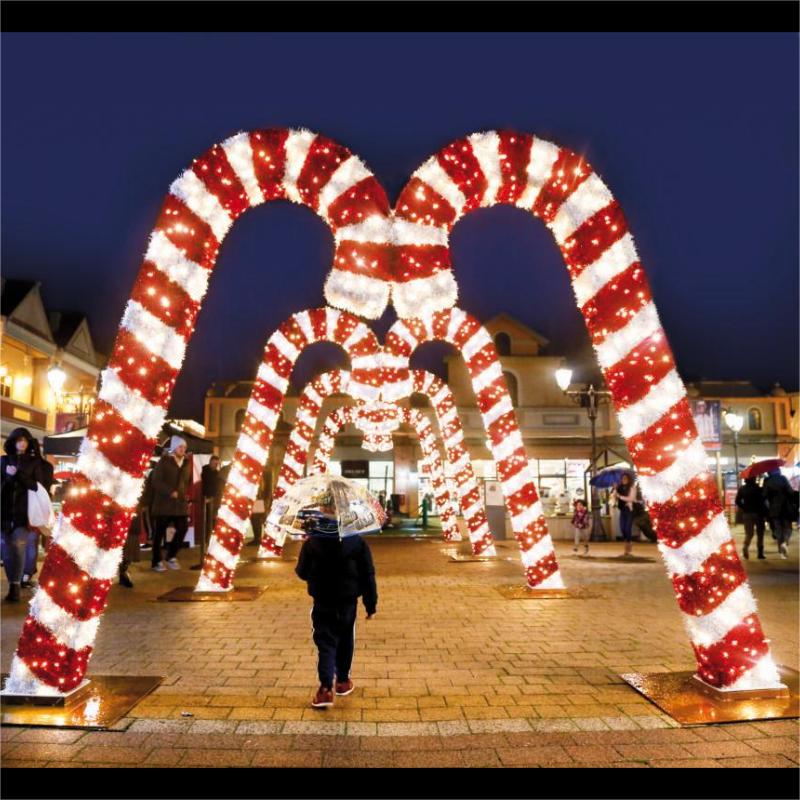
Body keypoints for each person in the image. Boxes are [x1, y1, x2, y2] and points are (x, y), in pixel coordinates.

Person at [295, 493, 378, 709]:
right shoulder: (357, 541)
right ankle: (342, 681)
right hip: (348, 599)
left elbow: (301, 572)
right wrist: (370, 604)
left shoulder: (312, 540)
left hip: (323, 598)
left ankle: (325, 689)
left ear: (322, 510)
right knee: (345, 638)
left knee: (325, 641)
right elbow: (368, 573)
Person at [1, 428, 54, 602]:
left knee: (18, 545)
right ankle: (13, 583)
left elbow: (37, 487)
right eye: (19, 440)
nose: (22, 443)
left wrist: (18, 475)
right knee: (6, 550)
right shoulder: (3, 461)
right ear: (13, 442)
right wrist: (9, 478)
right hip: (4, 512)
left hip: (24, 514)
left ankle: (15, 586)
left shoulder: (34, 463)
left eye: (25, 440)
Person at [150, 436, 191, 572]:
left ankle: (171, 556)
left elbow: (186, 482)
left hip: (179, 505)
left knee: (183, 528)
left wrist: (184, 493)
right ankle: (156, 561)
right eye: (180, 447)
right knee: (159, 534)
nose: (183, 450)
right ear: (174, 448)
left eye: (184, 447)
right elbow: (155, 481)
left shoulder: (186, 464)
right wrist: (170, 492)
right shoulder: (164, 462)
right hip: (163, 504)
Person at [21, 442, 54, 588]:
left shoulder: (23, 465)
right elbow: (46, 488)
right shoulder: (47, 466)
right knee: (32, 543)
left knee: (25, 543)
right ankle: (27, 574)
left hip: (24, 507)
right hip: (39, 507)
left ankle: (24, 574)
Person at [762, 468, 794, 558]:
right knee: (788, 528)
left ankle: (781, 553)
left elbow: (764, 495)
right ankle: (785, 542)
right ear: (778, 471)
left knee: (778, 529)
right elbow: (790, 492)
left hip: (773, 509)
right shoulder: (783, 478)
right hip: (785, 508)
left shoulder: (767, 481)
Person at [735, 476, 767, 560]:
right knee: (760, 533)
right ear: (753, 479)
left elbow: (737, 501)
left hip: (747, 513)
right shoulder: (758, 489)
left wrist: (744, 507)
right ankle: (760, 553)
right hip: (758, 513)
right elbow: (763, 499)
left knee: (749, 533)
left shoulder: (742, 489)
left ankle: (745, 547)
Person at [614, 472, 637, 556]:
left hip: (629, 510)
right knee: (622, 529)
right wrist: (615, 489)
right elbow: (614, 497)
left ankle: (627, 548)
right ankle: (628, 542)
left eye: (625, 478)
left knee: (627, 528)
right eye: (622, 478)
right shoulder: (619, 487)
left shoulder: (632, 487)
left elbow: (631, 498)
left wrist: (619, 496)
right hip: (622, 510)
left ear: (629, 479)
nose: (624, 480)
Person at [201, 455, 223, 530]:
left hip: (211, 499)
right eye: (214, 463)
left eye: (217, 464)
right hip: (202, 497)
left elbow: (216, 488)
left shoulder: (217, 473)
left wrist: (211, 498)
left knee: (210, 519)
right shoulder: (203, 469)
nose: (216, 465)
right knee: (202, 519)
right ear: (210, 462)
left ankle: (208, 536)